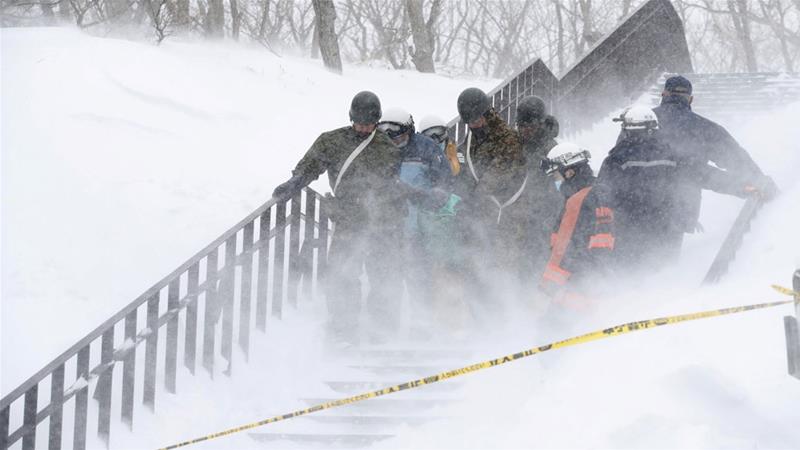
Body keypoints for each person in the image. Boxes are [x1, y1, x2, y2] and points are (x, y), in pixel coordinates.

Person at [272, 91, 404, 346]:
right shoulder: (332, 141)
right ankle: (343, 327)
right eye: (360, 123)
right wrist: (295, 182)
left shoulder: (387, 148)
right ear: (351, 118)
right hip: (349, 219)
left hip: (382, 220)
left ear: (377, 121)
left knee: (383, 273)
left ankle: (383, 328)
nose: (363, 128)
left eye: (369, 124)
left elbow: (391, 185)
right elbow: (310, 166)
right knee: (343, 273)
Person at [652, 75, 776, 247]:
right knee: (662, 265)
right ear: (691, 99)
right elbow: (734, 158)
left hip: (629, 205)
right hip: (677, 212)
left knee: (632, 267)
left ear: (664, 94)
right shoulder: (703, 127)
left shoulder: (639, 124)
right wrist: (758, 181)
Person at [376, 108, 452, 336]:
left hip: (419, 226)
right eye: (387, 135)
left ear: (409, 130)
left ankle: (422, 327)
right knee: (386, 278)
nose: (394, 141)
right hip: (388, 226)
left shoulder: (426, 148)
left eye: (398, 135)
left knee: (419, 277)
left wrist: (426, 196)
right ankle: (384, 328)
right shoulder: (377, 150)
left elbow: (444, 183)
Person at [456, 87, 528, 281]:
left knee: (504, 265)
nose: (474, 125)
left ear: (487, 113)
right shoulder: (470, 138)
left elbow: (499, 173)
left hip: (506, 212)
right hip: (481, 214)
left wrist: (475, 196)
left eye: (477, 119)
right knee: (477, 263)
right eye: (470, 122)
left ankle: (505, 303)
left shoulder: (507, 138)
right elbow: (466, 168)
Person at [598, 105, 681, 270]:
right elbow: (687, 183)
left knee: (629, 270)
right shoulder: (670, 155)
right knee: (658, 270)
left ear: (627, 130)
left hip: (627, 227)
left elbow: (602, 191)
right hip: (662, 223)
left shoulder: (616, 158)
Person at [539, 143, 615, 309]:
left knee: (555, 330)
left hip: (576, 287)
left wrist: (547, 287)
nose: (555, 182)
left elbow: (563, 247)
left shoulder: (576, 201)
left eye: (556, 176)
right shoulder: (600, 191)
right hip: (600, 280)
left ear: (569, 172)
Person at [515, 95, 565, 279]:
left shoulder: (551, 148)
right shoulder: (516, 144)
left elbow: (563, 184)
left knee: (538, 256)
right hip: (518, 210)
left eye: (530, 126)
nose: (525, 130)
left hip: (544, 212)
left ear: (540, 124)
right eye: (521, 126)